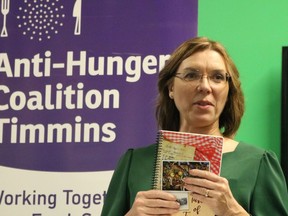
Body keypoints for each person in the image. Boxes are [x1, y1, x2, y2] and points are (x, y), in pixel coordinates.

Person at [101, 37, 288, 215]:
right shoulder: (135, 163)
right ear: (171, 88)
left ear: (228, 90)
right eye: (191, 75)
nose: (205, 86)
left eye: (217, 77)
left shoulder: (258, 163)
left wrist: (231, 211)